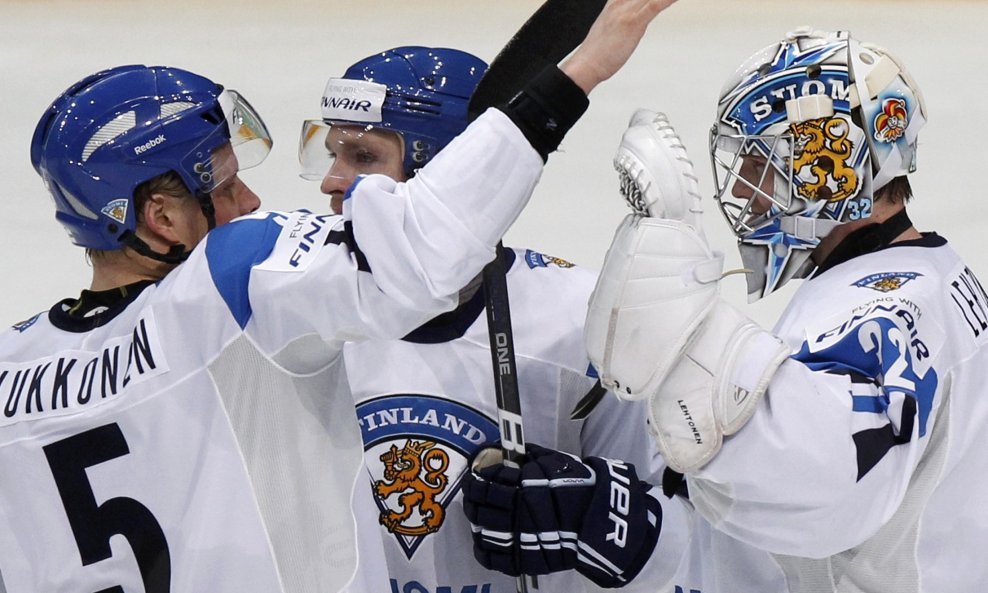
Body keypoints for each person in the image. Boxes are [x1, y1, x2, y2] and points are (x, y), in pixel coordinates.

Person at [0, 1, 682, 592]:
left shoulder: (11, 369)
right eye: (227, 184)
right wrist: (583, 65)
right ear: (161, 218)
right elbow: (420, 249)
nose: (257, 199)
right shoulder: (238, 290)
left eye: (360, 157)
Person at [466, 27, 988, 593]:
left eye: (762, 164)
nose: (744, 189)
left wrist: (680, 319)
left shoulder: (884, 309)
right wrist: (609, 510)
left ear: (831, 172)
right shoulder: (924, 278)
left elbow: (824, 484)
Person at [299, 45, 682, 593]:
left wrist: (592, 510)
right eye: (332, 152)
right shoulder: (296, 312)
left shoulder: (583, 317)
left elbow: (656, 517)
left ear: (450, 175)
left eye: (361, 156)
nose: (331, 182)